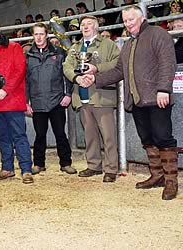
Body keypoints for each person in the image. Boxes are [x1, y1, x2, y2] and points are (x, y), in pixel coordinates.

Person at [81, 6, 179, 200]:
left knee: (163, 137)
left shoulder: (158, 35)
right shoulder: (127, 44)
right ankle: (157, 175)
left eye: (131, 20)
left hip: (156, 98)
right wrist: (96, 79)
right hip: (137, 100)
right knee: (147, 139)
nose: (128, 24)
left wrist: (163, 90)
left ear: (141, 18)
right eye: (125, 21)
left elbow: (168, 63)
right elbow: (119, 71)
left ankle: (171, 181)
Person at [62, 16, 120, 182]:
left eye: (89, 24)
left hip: (101, 96)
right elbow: (67, 66)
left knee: (108, 135)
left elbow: (117, 63)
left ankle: (111, 168)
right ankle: (94, 165)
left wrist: (97, 68)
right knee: (90, 135)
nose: (85, 27)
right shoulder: (75, 47)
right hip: (81, 96)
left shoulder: (108, 44)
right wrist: (76, 78)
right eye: (82, 24)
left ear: (96, 27)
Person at [0, 21, 34, 184]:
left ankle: (26, 170)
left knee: (19, 135)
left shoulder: (14, 47)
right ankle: (7, 168)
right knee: (2, 137)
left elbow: (20, 69)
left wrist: (6, 89)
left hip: (11, 100)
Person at [25, 23, 77, 176]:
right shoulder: (28, 55)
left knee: (60, 133)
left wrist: (68, 94)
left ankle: (66, 163)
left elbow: (66, 75)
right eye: (36, 34)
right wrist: (26, 102)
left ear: (47, 35)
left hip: (56, 101)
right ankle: (39, 164)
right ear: (33, 36)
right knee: (40, 135)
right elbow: (26, 81)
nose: (39, 37)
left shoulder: (60, 52)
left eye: (42, 34)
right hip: (38, 102)